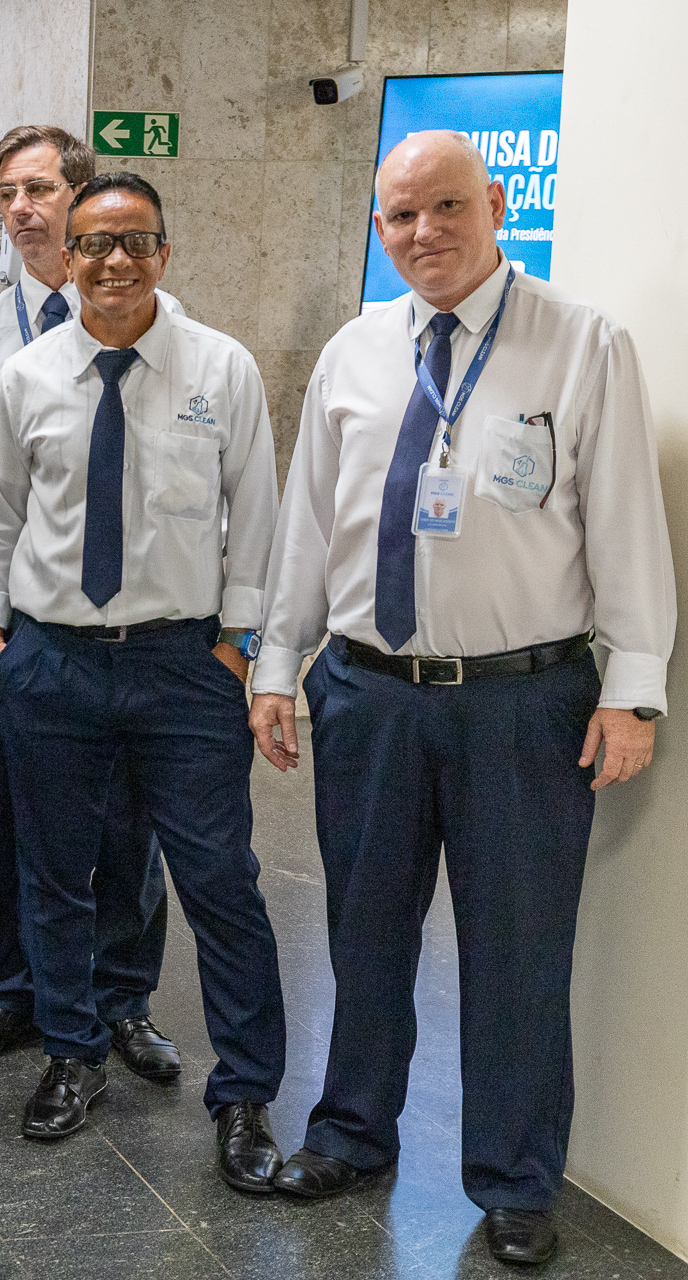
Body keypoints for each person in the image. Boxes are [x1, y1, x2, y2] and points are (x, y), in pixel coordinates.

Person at [250, 131, 675, 1267]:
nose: (424, 234)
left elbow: (631, 525)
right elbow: (309, 524)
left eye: (446, 208)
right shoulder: (354, 351)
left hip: (522, 703)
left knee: (517, 947)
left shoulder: (583, 343)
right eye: (400, 217)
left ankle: (516, 1176)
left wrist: (635, 688)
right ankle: (352, 1129)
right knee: (364, 927)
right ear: (378, 228)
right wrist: (277, 662)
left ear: (496, 206)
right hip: (367, 693)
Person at [0, 172, 286, 1191]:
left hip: (181, 666)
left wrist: (239, 647)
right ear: (64, 258)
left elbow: (259, 521)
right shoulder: (26, 377)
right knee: (55, 875)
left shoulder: (221, 370)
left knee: (219, 882)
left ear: (164, 253)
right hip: (53, 663)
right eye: (93, 244)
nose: (113, 261)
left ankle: (243, 1093)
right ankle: (72, 1048)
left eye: (135, 241)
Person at [0, 125, 178, 1077]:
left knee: (128, 827)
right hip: (16, 627)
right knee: (5, 818)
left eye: (40, 189)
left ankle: (122, 999)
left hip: (126, 628)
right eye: (9, 194)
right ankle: (17, 995)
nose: (23, 208)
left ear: (81, 204)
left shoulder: (153, 323)